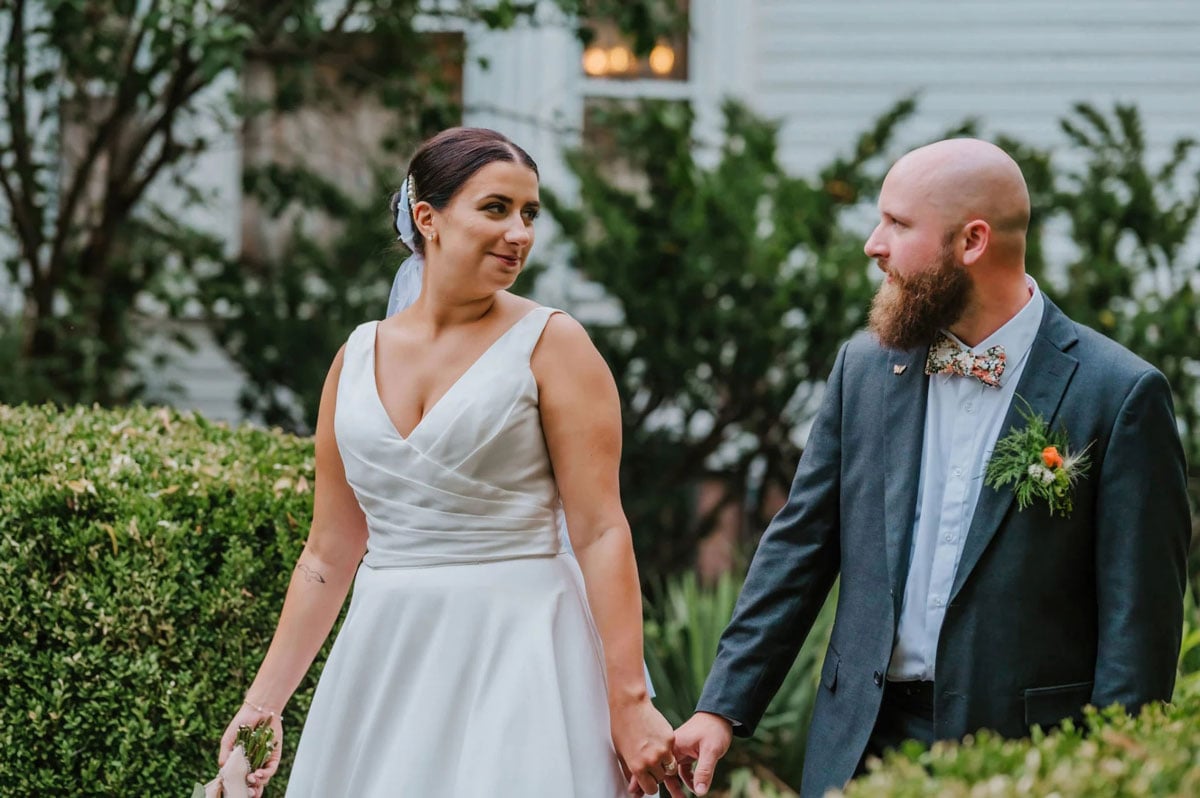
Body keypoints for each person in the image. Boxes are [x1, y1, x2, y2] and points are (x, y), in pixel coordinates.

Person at [671, 138, 1191, 797]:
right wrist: (721, 706)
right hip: (860, 744)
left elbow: (1137, 629)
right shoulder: (863, 370)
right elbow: (799, 547)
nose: (873, 244)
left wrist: (1115, 767)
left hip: (1025, 758)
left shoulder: (1118, 394)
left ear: (971, 242)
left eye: (897, 223)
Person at [218, 127, 684, 798]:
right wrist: (262, 709)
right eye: (496, 208)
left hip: (522, 649)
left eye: (530, 214)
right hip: (387, 654)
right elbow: (328, 551)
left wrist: (630, 700)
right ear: (427, 218)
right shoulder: (354, 359)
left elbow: (601, 530)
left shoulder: (555, 346)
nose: (519, 232)